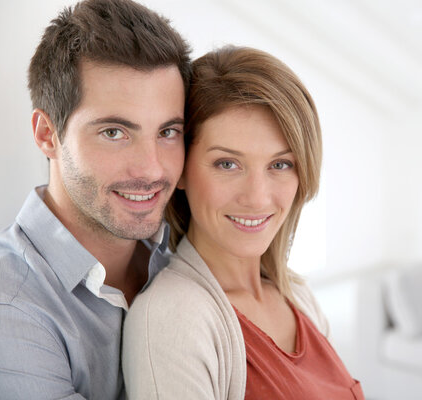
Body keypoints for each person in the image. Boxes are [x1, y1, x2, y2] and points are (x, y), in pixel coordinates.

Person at [0, 0, 190, 398]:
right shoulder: (4, 314)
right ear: (47, 134)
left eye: (167, 132)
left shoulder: (181, 251)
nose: (152, 169)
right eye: (115, 132)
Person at [123, 46, 365, 400]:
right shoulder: (171, 320)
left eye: (280, 165)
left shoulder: (297, 297)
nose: (257, 198)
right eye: (227, 164)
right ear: (181, 169)